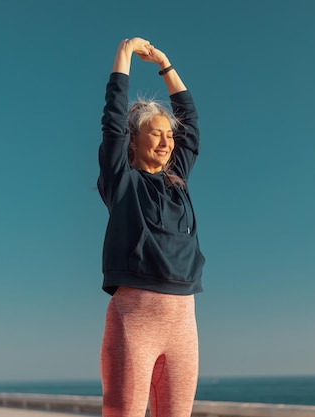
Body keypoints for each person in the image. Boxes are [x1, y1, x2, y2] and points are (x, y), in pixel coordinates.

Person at [97, 37, 205, 417]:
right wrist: (124, 55)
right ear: (135, 139)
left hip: (183, 325)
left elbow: (190, 122)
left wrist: (165, 63)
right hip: (134, 322)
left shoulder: (178, 181)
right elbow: (112, 123)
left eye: (169, 136)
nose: (166, 141)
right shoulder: (121, 182)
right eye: (156, 133)